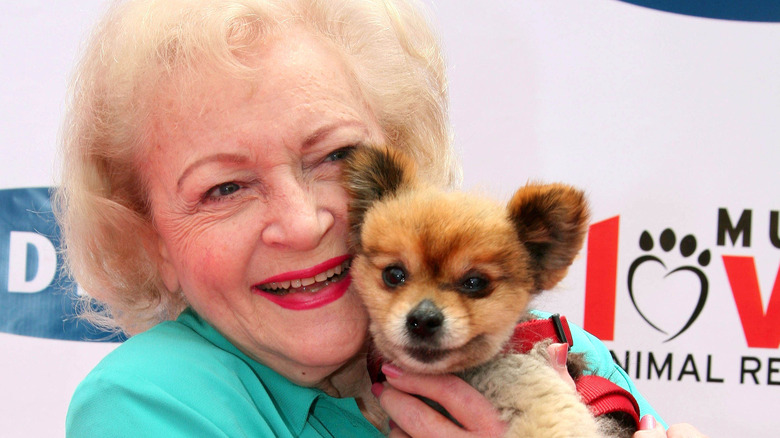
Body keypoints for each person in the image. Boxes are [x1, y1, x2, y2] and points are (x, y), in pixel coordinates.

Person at [56, 0, 707, 437]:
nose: (303, 222)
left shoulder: (544, 344)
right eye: (225, 188)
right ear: (152, 243)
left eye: (337, 156)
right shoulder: (151, 401)